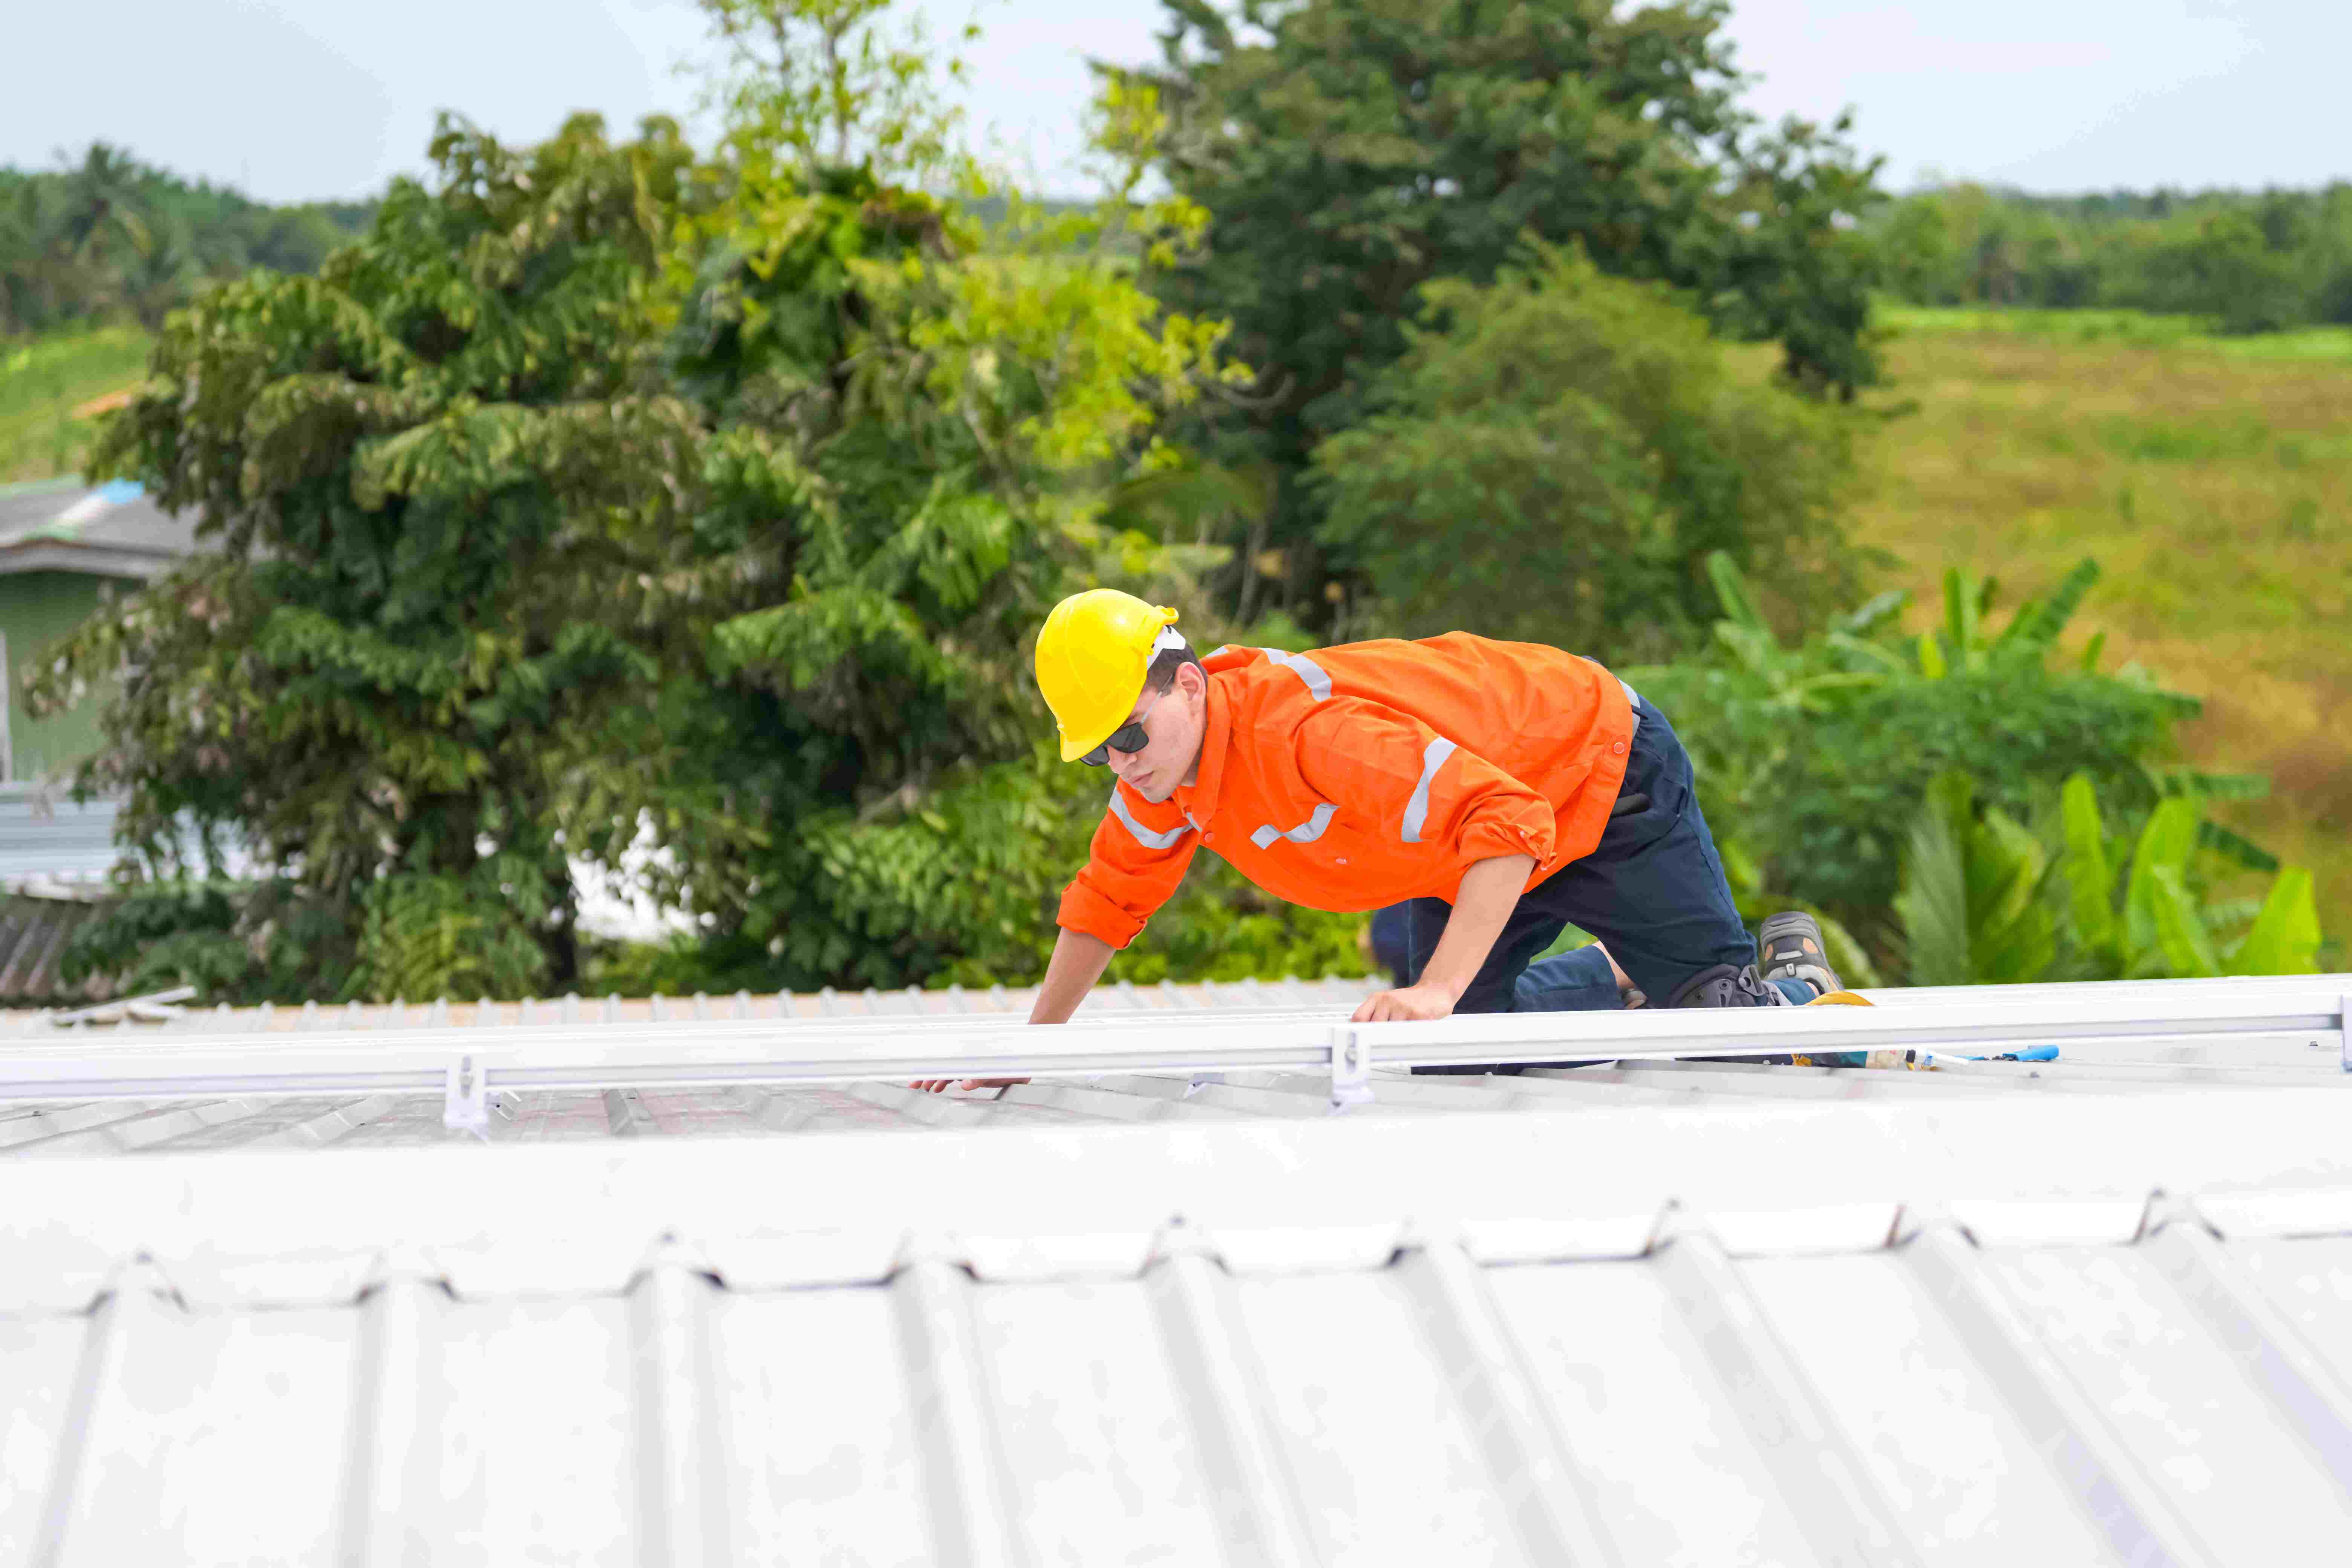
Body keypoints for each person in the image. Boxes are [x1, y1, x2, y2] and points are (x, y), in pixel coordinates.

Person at [914, 590, 1848, 1090]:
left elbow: (1513, 821)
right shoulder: (1171, 777)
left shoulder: (1306, 736)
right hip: (1473, 840)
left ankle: (1787, 973)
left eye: (1130, 734)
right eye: (1099, 754)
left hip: (1596, 772)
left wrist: (1436, 986)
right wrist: (1032, 1047)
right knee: (1453, 1052)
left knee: (1727, 1029)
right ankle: (1618, 971)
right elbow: (1107, 900)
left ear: (1190, 687)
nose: (1121, 764)